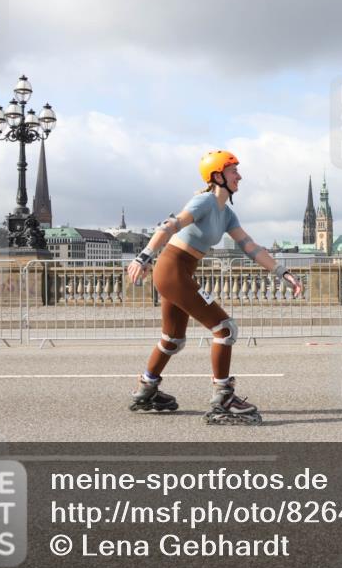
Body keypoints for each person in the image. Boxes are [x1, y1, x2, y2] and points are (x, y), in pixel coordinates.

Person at [125, 150, 304, 425]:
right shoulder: (205, 201)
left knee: (173, 339)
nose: (239, 176)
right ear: (218, 175)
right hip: (172, 270)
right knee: (225, 328)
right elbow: (169, 225)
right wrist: (144, 256)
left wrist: (283, 272)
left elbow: (251, 247)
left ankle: (146, 389)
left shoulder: (227, 214)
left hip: (181, 271)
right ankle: (223, 398)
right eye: (234, 171)